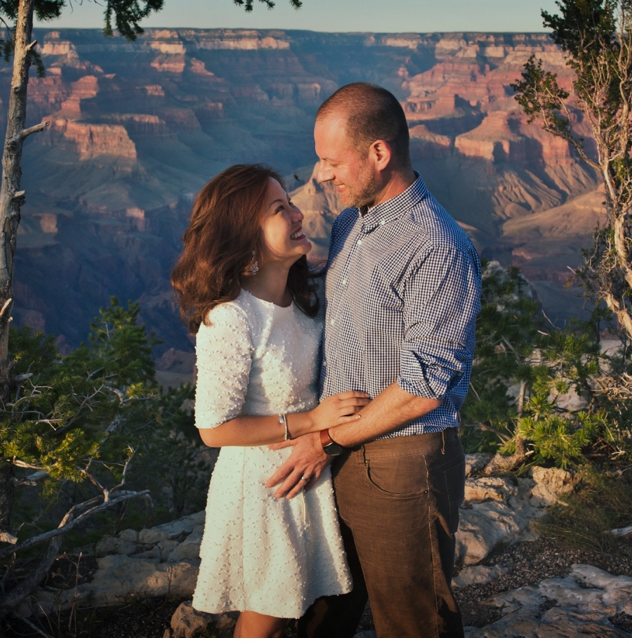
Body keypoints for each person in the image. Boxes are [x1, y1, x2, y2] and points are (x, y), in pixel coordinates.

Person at [265, 82, 482, 637]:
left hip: (400, 462)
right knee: (321, 606)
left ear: (379, 153)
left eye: (333, 161)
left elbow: (425, 385)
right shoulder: (349, 223)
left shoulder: (436, 245)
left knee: (412, 618)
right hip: (338, 452)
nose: (321, 175)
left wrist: (328, 439)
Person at [170, 163, 370, 638]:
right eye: (280, 209)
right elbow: (213, 428)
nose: (300, 213)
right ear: (246, 238)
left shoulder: (303, 301)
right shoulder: (231, 319)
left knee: (294, 607)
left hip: (305, 474)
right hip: (266, 488)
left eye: (290, 202)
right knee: (266, 617)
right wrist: (313, 420)